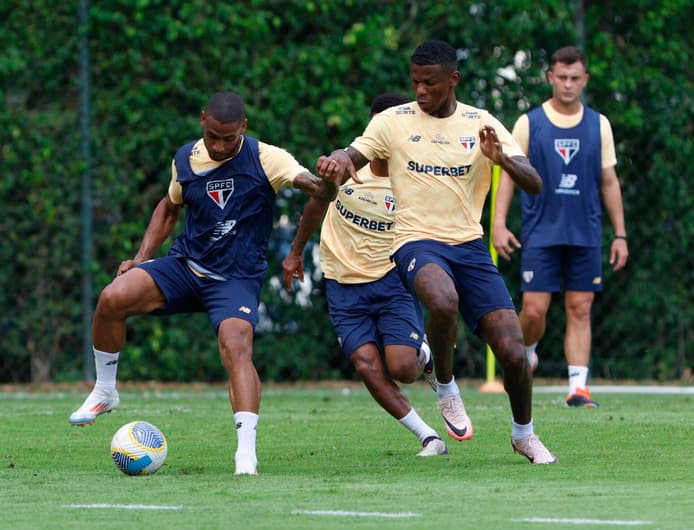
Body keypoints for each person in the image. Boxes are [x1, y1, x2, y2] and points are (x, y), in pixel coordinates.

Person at [68, 91, 338, 476]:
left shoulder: (268, 159)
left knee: (235, 346)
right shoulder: (186, 158)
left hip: (235, 278)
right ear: (202, 122)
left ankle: (245, 455)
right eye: (213, 136)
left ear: (243, 128)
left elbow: (317, 191)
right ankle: (106, 391)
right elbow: (169, 206)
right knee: (112, 297)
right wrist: (141, 257)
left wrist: (328, 184)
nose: (220, 145)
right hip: (185, 266)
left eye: (229, 138)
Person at [316, 40, 556, 464]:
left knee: (515, 354)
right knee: (442, 300)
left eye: (430, 83)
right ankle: (445, 386)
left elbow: (535, 183)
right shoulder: (393, 121)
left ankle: (523, 435)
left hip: (469, 248)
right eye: (415, 82)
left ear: (453, 81)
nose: (421, 91)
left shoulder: (481, 123)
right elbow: (353, 153)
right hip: (415, 241)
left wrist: (503, 160)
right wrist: (337, 158)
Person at [282, 93, 447, 457]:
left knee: (402, 368)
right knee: (366, 365)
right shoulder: (344, 168)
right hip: (343, 285)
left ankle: (425, 357)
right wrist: (295, 251)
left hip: (391, 280)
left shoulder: (419, 176)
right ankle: (429, 438)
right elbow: (315, 203)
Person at [492, 46, 628, 408]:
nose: (568, 84)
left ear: (585, 80)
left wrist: (620, 234)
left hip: (585, 232)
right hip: (540, 233)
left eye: (575, 78)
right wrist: (499, 223)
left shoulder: (599, 124)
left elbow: (609, 181)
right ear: (551, 78)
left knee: (580, 308)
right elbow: (508, 175)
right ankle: (529, 349)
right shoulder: (529, 123)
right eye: (561, 77)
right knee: (534, 310)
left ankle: (578, 388)